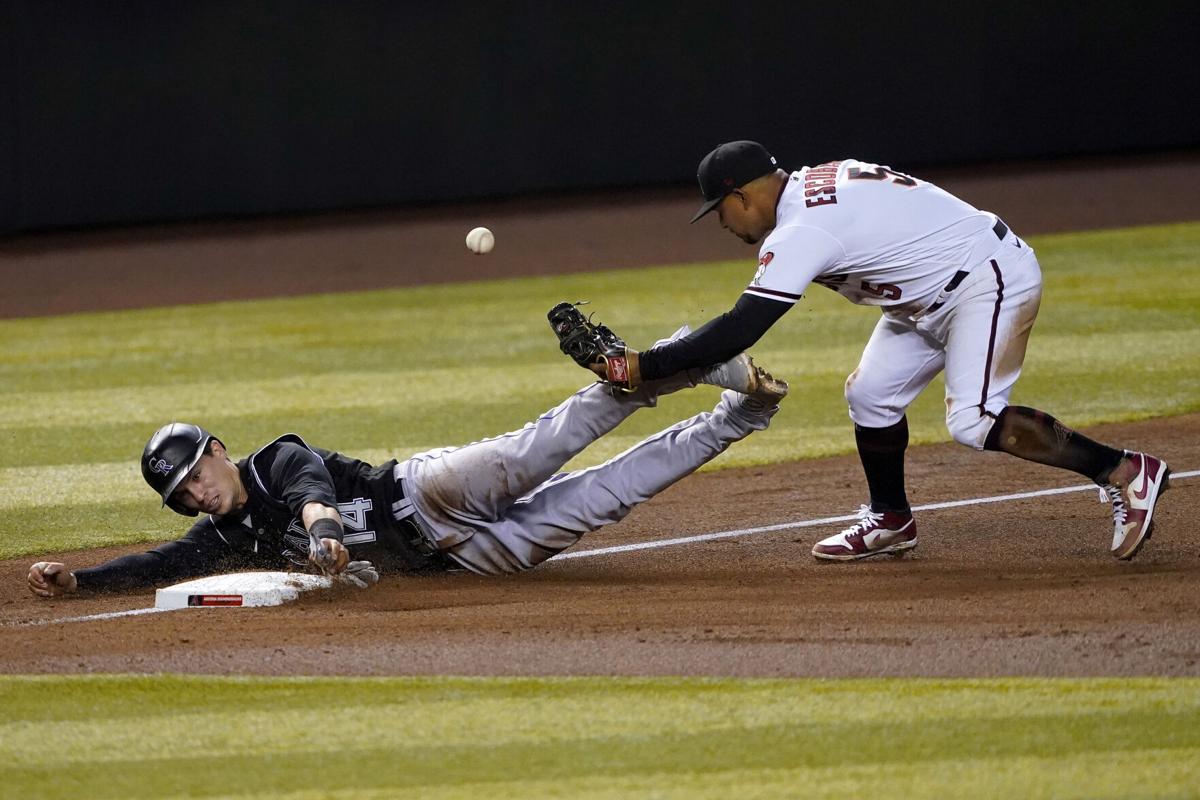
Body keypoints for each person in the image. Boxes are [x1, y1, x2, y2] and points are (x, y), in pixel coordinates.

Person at [569, 140, 1171, 562]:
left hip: (986, 281)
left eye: (720, 209)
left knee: (973, 419)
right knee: (871, 395)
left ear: (744, 195)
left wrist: (641, 366)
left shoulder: (801, 228)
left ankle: (1124, 471)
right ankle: (891, 520)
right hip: (930, 295)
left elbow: (742, 327)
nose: (723, 223)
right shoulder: (810, 185)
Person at [27, 344, 787, 597]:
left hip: (427, 489)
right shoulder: (224, 538)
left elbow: (313, 494)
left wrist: (322, 534)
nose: (197, 490)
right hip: (463, 562)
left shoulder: (272, 460)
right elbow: (163, 564)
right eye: (182, 491)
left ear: (218, 450)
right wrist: (83, 582)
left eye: (196, 470)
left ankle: (688, 357)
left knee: (548, 442)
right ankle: (741, 417)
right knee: (610, 495)